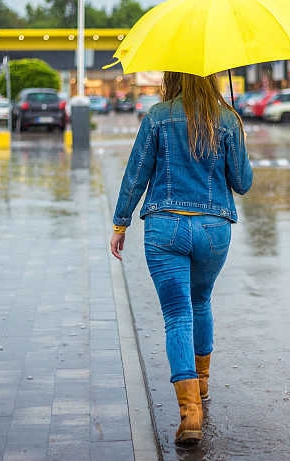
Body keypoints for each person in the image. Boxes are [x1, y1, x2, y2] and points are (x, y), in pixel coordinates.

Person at [110, 71, 253, 444]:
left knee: (177, 315)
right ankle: (202, 387)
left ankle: (190, 414)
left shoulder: (158, 116)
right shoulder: (227, 119)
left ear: (172, 78)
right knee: (201, 301)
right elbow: (242, 182)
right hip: (213, 229)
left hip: (164, 228)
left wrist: (121, 223)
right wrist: (240, 139)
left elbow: (136, 173)